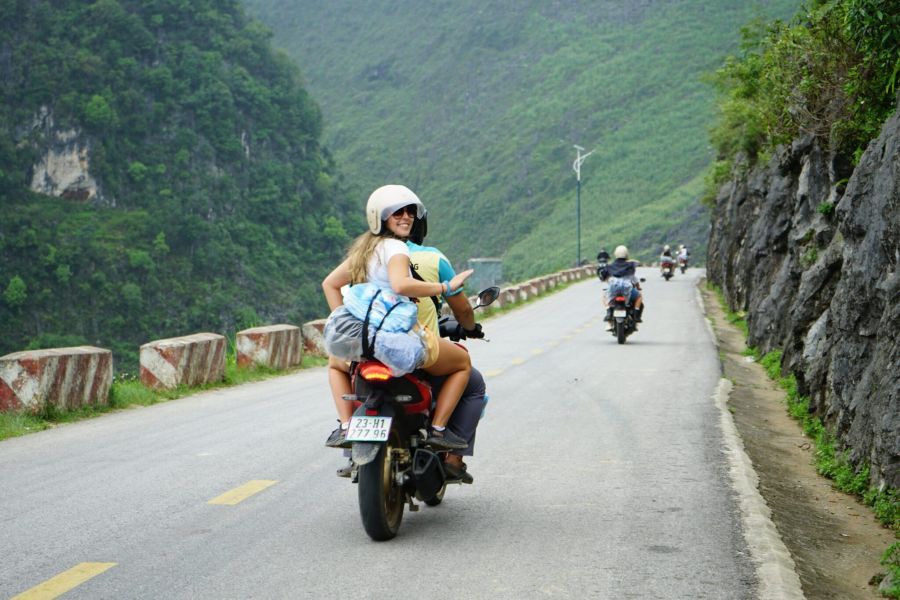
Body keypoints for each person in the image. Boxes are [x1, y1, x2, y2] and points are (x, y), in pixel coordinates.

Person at [322, 185, 473, 456]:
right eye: (397, 213)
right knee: (462, 363)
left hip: (363, 339)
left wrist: (346, 322)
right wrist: (445, 287)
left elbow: (330, 284)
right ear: (381, 217)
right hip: (396, 340)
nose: (406, 217)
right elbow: (400, 285)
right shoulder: (396, 248)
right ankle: (438, 430)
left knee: (335, 365)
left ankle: (345, 426)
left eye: (410, 212)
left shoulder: (365, 250)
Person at [405, 215, 486, 483]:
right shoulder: (433, 258)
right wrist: (470, 327)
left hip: (372, 347)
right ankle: (451, 453)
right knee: (473, 383)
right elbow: (462, 308)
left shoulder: (365, 256)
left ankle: (348, 431)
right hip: (419, 351)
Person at [604, 245, 643, 331]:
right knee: (639, 296)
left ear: (615, 254)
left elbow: (606, 278)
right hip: (627, 290)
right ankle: (636, 315)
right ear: (626, 254)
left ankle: (609, 314)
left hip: (614, 290)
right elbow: (638, 264)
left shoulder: (610, 265)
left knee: (604, 297)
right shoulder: (631, 264)